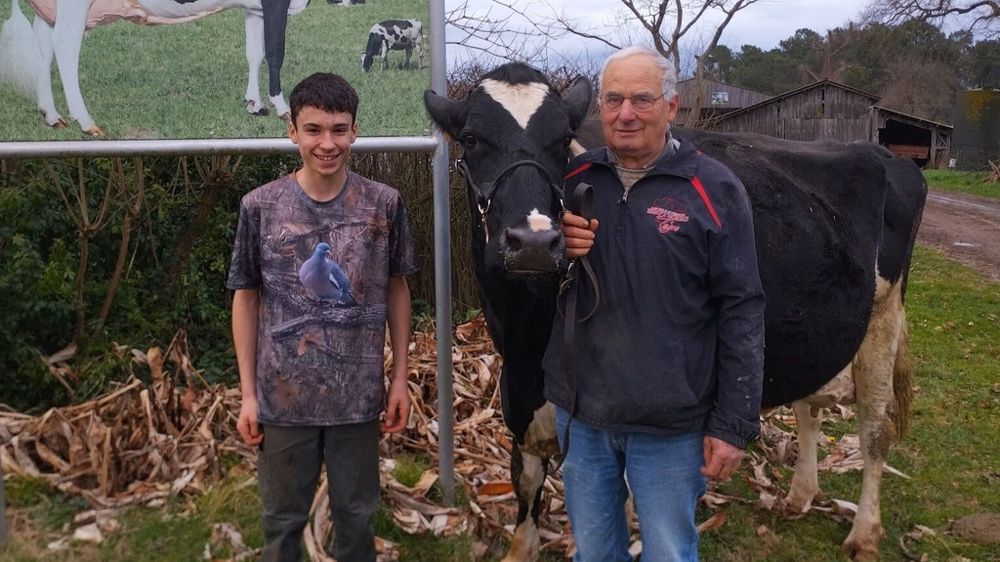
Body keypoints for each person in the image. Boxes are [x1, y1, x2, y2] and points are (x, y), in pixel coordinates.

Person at [543, 46, 766, 562]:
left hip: (672, 422)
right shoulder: (575, 182)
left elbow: (743, 308)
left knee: (669, 550)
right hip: (584, 415)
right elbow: (533, 278)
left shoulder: (711, 188)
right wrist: (556, 250)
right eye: (613, 99)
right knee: (595, 552)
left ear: (672, 105)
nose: (625, 113)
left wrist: (732, 424)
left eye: (641, 99)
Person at [227, 72, 419, 562]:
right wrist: (249, 394)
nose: (327, 143)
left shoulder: (385, 204)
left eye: (338, 129)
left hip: (357, 399)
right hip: (282, 401)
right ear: (292, 130)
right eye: (313, 130)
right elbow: (246, 298)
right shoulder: (260, 207)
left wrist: (399, 379)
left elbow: (397, 289)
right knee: (282, 525)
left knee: (356, 520)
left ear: (355, 130)